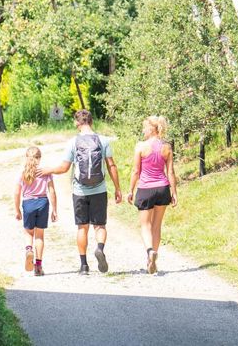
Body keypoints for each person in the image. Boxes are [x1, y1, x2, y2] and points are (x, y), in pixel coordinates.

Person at [40, 109, 122, 275]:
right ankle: (99, 248)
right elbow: (111, 165)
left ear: (77, 123)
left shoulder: (73, 142)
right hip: (99, 190)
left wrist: (48, 170)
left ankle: (84, 266)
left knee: (82, 228)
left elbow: (64, 168)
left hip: (80, 191)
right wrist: (118, 188)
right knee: (100, 225)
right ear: (91, 121)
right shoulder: (103, 140)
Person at [128, 115, 178, 274]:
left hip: (146, 189)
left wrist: (130, 190)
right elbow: (170, 172)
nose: (143, 130)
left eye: (144, 127)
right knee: (156, 226)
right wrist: (174, 192)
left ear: (151, 129)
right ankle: (153, 258)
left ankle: (150, 252)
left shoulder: (141, 147)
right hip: (163, 189)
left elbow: (136, 171)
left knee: (145, 225)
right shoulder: (167, 147)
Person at [14, 146, 58, 276]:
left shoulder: (22, 173)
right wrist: (54, 210)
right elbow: (52, 191)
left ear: (26, 158)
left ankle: (29, 250)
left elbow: (17, 193)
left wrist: (17, 210)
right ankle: (38, 266)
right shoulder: (45, 172)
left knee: (29, 233)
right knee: (39, 236)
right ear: (39, 158)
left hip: (28, 204)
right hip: (43, 203)